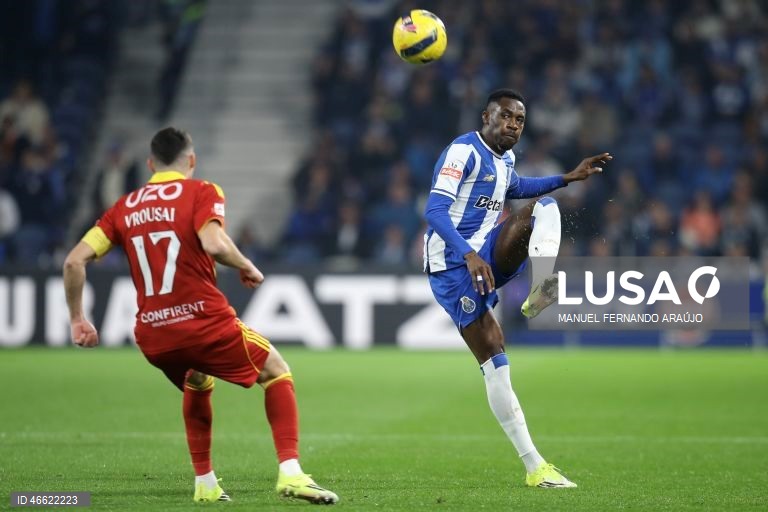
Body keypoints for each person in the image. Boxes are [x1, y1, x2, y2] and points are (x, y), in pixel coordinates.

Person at [62, 127, 339, 505]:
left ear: (150, 164)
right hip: (202, 321)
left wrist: (78, 318)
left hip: (153, 335)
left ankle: (205, 483)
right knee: (276, 370)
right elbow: (213, 243)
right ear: (190, 160)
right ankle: (291, 473)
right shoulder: (202, 191)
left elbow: (74, 261)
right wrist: (245, 265)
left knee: (196, 378)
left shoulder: (123, 207)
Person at [423, 89, 611, 488]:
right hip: (452, 265)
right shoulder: (463, 152)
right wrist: (468, 255)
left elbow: (518, 186)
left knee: (546, 206)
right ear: (486, 116)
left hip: (486, 253)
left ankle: (542, 285)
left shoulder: (504, 159)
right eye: (506, 116)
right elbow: (434, 211)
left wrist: (566, 178)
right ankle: (535, 467)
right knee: (494, 353)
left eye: (520, 121)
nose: (513, 125)